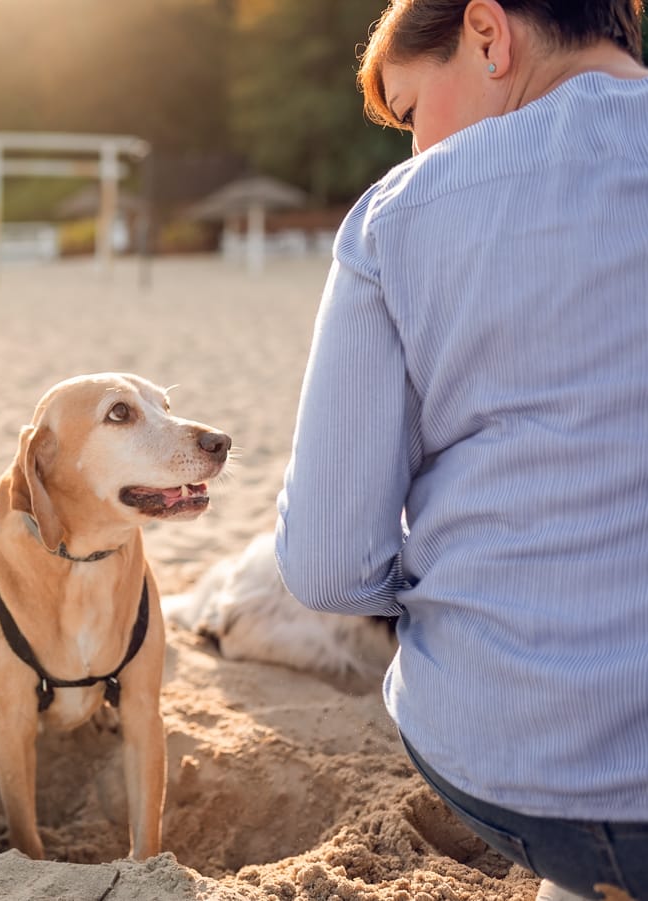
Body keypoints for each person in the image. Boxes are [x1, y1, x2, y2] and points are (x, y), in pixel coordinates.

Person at [273, 1, 648, 899]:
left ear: (488, 34)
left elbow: (327, 567)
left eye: (410, 113)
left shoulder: (397, 221)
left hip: (517, 774)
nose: (414, 151)